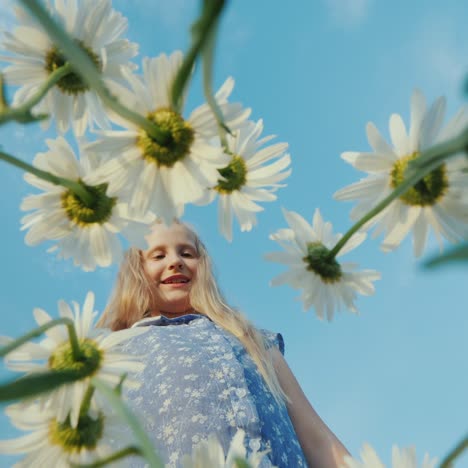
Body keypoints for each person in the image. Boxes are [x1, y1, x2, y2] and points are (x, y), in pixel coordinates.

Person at [98, 221, 349, 467]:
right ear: (136, 272)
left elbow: (316, 438)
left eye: (187, 253)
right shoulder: (116, 350)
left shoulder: (252, 340)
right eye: (158, 255)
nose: (175, 261)